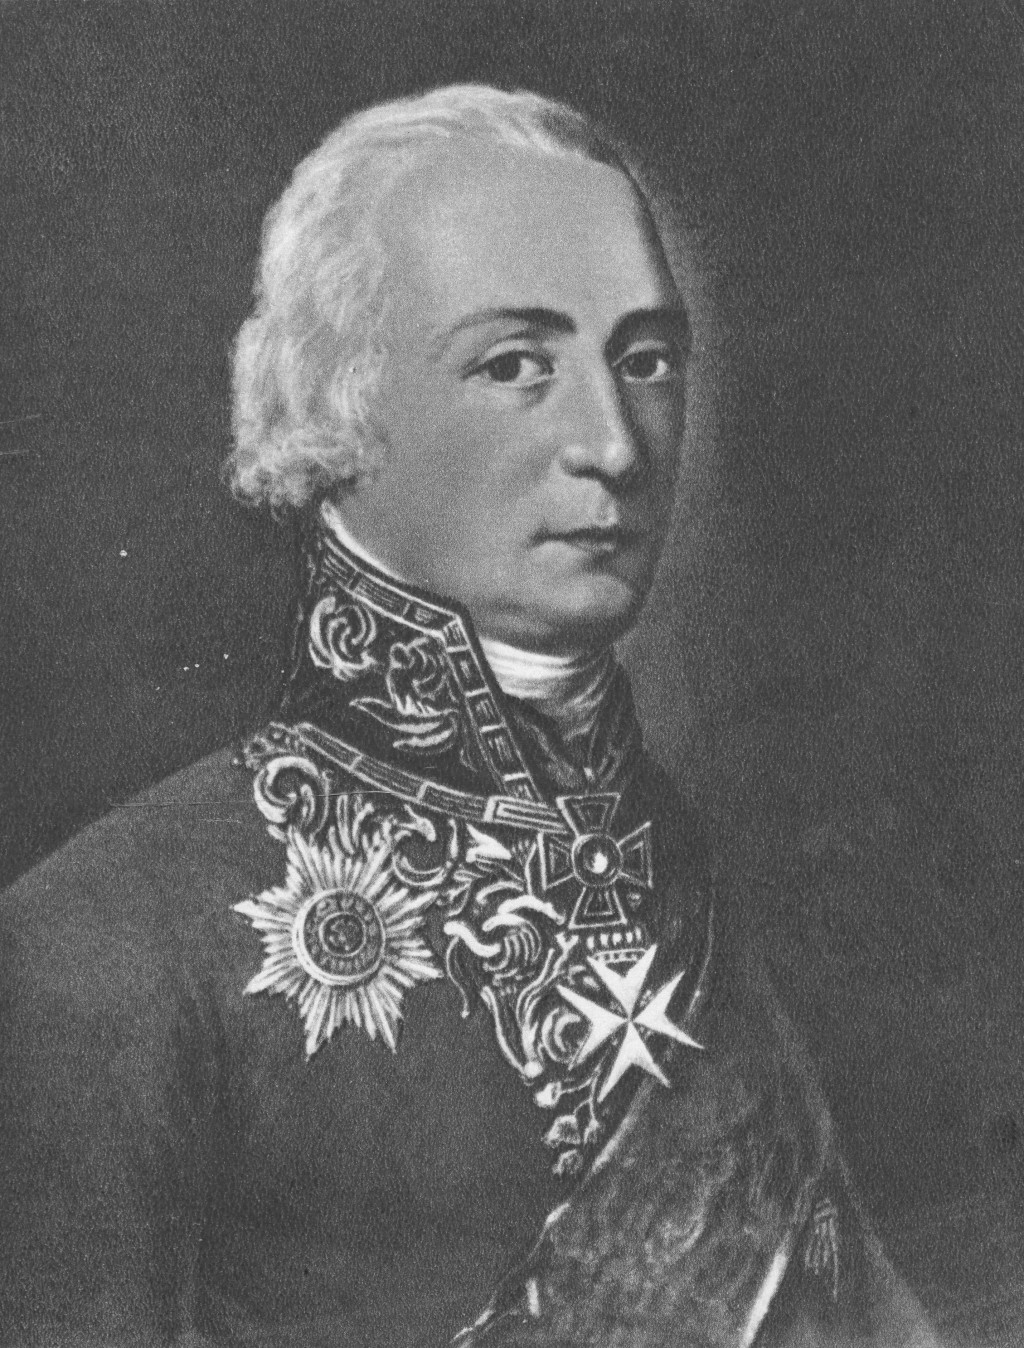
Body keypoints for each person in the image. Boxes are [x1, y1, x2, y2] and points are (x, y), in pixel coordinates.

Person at [0, 85, 939, 1347]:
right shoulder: (93, 952)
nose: (613, 444)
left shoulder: (663, 849)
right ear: (336, 406)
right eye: (514, 365)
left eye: (645, 360)